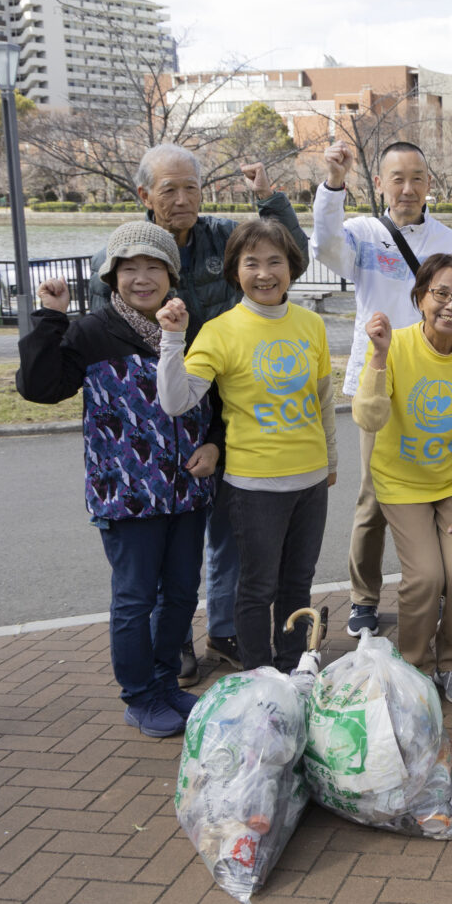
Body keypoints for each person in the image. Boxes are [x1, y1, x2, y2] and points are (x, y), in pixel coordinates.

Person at [89, 147, 307, 681]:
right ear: (145, 196)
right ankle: (177, 640)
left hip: (222, 404)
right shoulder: (130, 253)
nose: (182, 199)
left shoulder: (220, 237)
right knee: (172, 539)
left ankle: (225, 629)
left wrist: (270, 198)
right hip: (153, 411)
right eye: (169, 190)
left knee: (226, 533)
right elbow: (103, 332)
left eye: (191, 187)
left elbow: (287, 255)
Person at [18, 222, 220, 738]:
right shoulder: (91, 331)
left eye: (154, 267)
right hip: (126, 493)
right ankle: (138, 696)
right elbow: (40, 387)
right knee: (135, 598)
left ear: (171, 275)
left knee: (179, 592)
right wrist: (49, 318)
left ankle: (164, 682)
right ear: (112, 276)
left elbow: (217, 401)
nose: (142, 278)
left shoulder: (188, 327)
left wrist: (215, 443)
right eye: (130, 268)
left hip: (187, 488)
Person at [309, 140, 452, 641]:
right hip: (380, 380)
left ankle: (444, 582)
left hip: (441, 384)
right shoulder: (361, 235)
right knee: (373, 498)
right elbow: (324, 247)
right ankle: (363, 597)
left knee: (444, 487)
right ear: (379, 184)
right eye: (396, 178)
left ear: (430, 184)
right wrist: (333, 185)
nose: (407, 188)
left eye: (417, 178)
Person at [156, 219, 336, 673]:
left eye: (275, 261)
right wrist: (172, 340)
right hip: (254, 486)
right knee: (257, 588)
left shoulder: (311, 325)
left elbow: (323, 400)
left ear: (291, 267)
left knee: (297, 585)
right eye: (251, 262)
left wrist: (330, 461)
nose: (264, 273)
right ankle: (261, 677)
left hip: (311, 481)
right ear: (235, 270)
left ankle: (293, 669)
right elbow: (176, 401)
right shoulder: (219, 331)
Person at [351, 253, 452, 704]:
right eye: (440, 293)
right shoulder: (393, 346)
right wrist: (378, 358)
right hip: (401, 480)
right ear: (420, 298)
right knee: (424, 578)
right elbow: (369, 416)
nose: (451, 304)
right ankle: (413, 665)